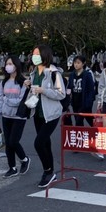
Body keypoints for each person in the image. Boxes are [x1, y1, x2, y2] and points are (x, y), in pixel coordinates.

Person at [30, 44, 66, 188]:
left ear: (44, 55)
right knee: (45, 143)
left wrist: (43, 90)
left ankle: (47, 171)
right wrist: (30, 86)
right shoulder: (33, 72)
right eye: (33, 54)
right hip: (37, 112)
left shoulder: (53, 72)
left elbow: (61, 93)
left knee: (38, 143)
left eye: (37, 53)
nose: (34, 56)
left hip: (51, 113)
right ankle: (50, 172)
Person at [0, 55, 31, 179]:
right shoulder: (3, 82)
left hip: (19, 116)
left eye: (10, 63)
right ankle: (12, 168)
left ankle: (24, 159)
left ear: (16, 65)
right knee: (8, 144)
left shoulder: (23, 82)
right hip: (6, 115)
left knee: (13, 141)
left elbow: (21, 101)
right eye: (6, 64)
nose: (7, 66)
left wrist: (7, 100)